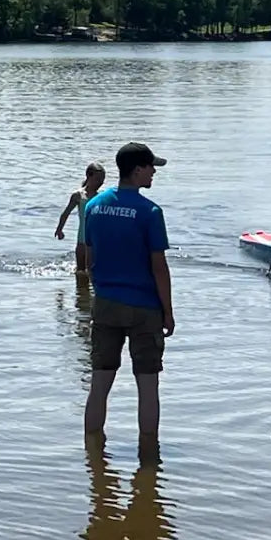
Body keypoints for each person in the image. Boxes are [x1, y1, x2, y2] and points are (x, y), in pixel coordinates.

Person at [83, 142, 173, 459]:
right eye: (151, 167)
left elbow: (89, 260)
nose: (154, 173)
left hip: (106, 304)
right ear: (137, 170)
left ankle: (93, 462)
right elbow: (159, 267)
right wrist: (168, 312)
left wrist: (101, 293)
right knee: (147, 388)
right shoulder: (149, 212)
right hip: (144, 307)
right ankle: (149, 463)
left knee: (99, 385)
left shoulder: (94, 206)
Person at [55, 161, 108, 272]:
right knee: (80, 272)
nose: (100, 182)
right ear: (89, 176)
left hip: (96, 240)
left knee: (93, 271)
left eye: (102, 180)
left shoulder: (102, 197)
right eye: (98, 179)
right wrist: (59, 229)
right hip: (82, 239)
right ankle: (81, 290)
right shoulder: (78, 195)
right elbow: (66, 213)